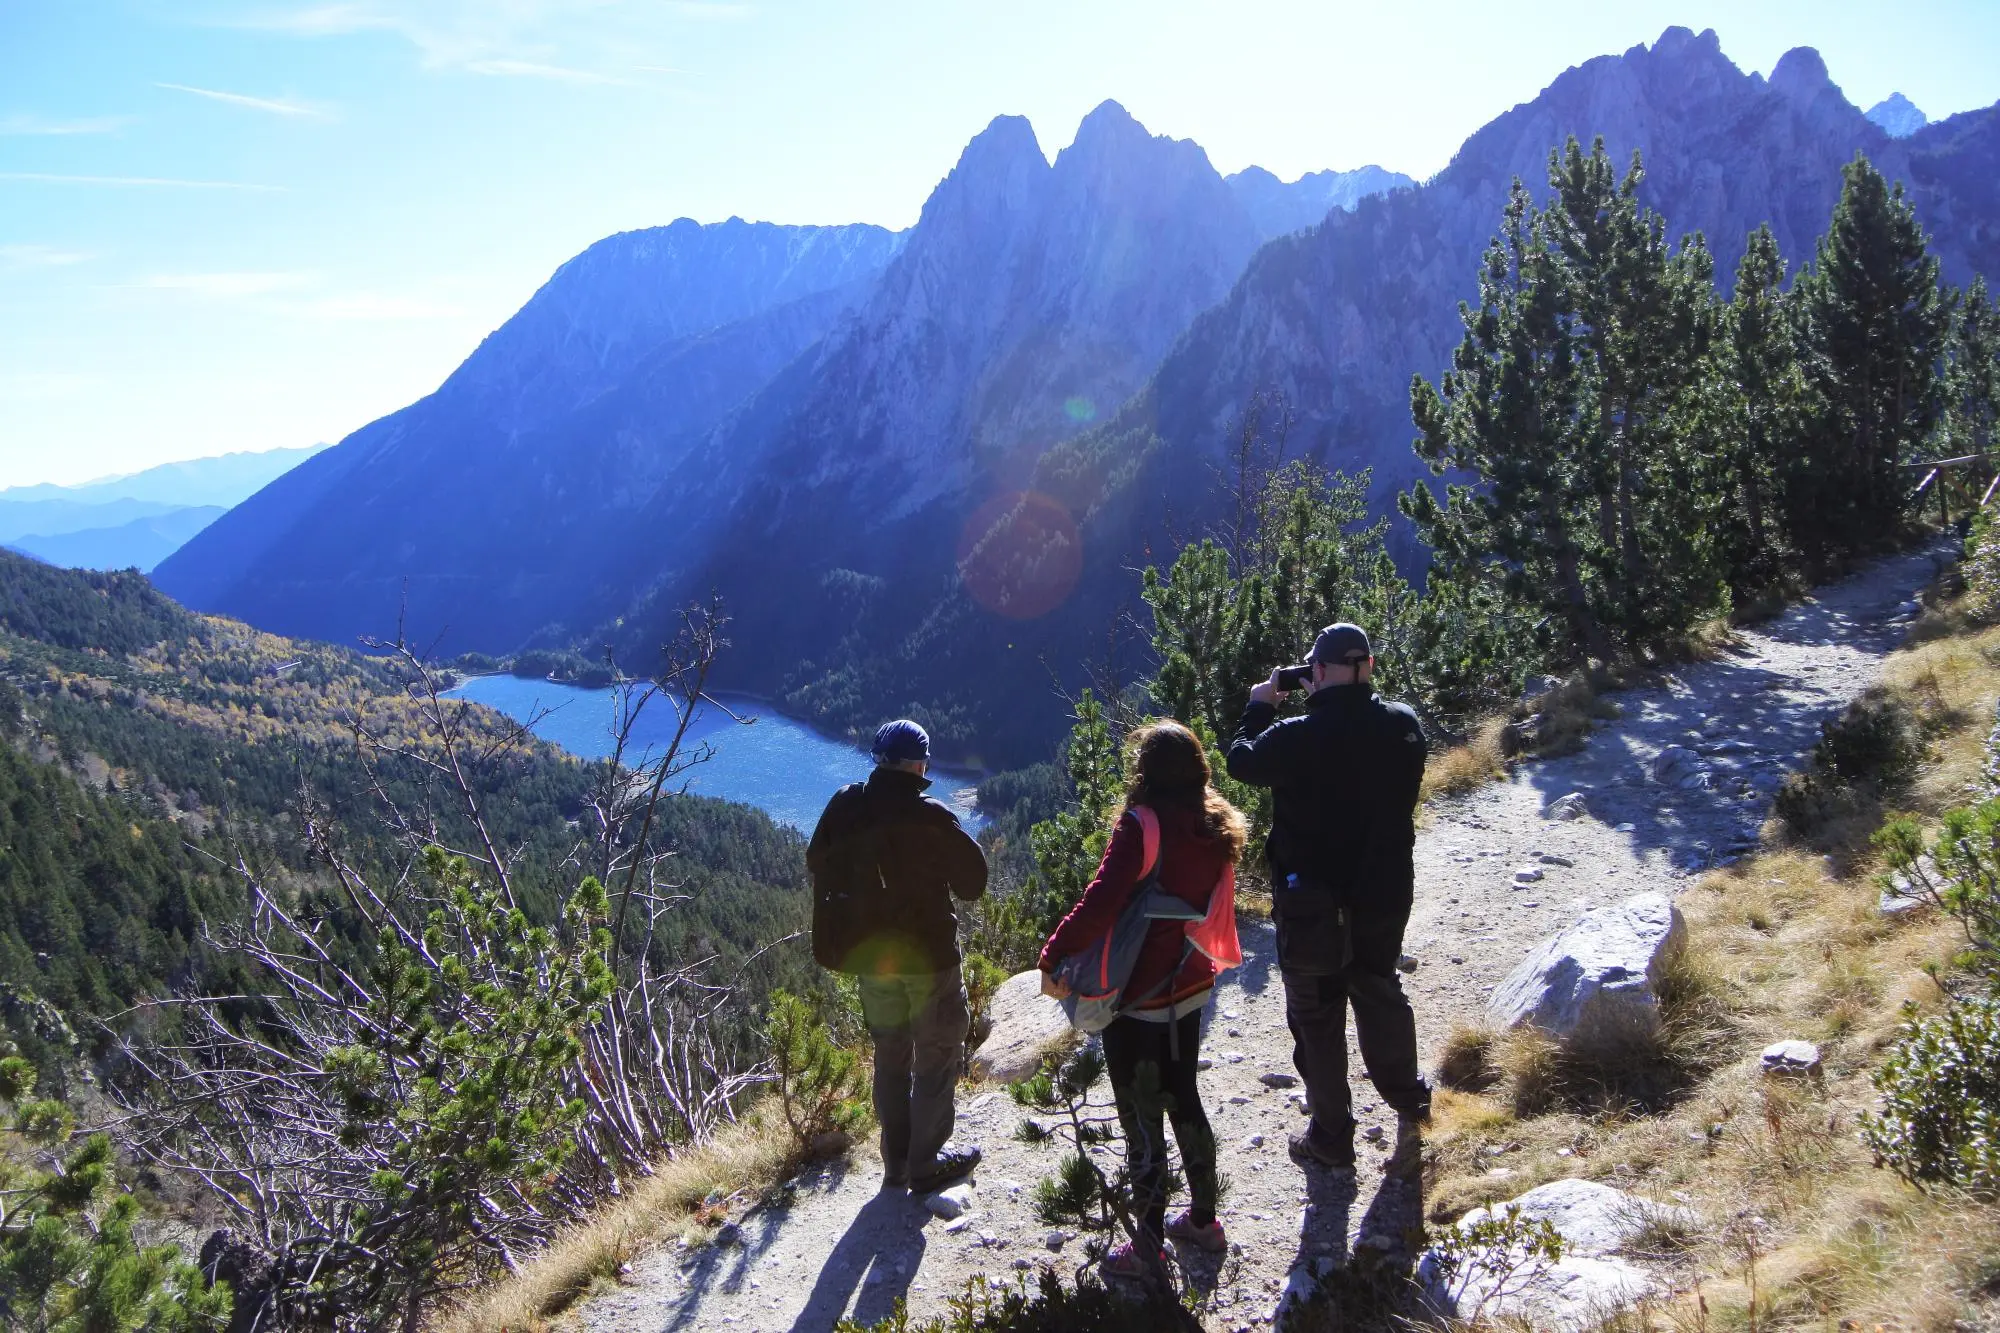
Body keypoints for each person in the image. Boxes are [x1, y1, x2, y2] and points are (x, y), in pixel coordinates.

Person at [1038, 721, 1246, 1276]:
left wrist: (1053, 954)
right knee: (1185, 1095)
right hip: (1192, 980)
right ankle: (1204, 1219)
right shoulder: (1215, 822)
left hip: (1139, 992)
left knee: (1140, 1114)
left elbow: (1100, 903)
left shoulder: (1142, 825)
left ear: (1145, 771)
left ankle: (1149, 1242)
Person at [1225, 622, 1431, 1175]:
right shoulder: (1404, 725)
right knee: (1379, 985)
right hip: (1385, 888)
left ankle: (1332, 1136)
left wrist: (1259, 706)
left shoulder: (1296, 736)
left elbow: (1240, 761)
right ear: (1367, 667)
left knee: (1316, 1013)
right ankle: (1408, 1098)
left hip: (1311, 900)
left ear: (1317, 672)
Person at [807, 719, 988, 1194]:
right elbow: (974, 884)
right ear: (921, 764)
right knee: (936, 1053)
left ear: (878, 759)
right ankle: (926, 1165)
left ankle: (896, 1165)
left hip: (875, 961)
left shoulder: (846, 806)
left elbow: (816, 861)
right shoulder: (930, 816)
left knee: (891, 1056)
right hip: (930, 961)